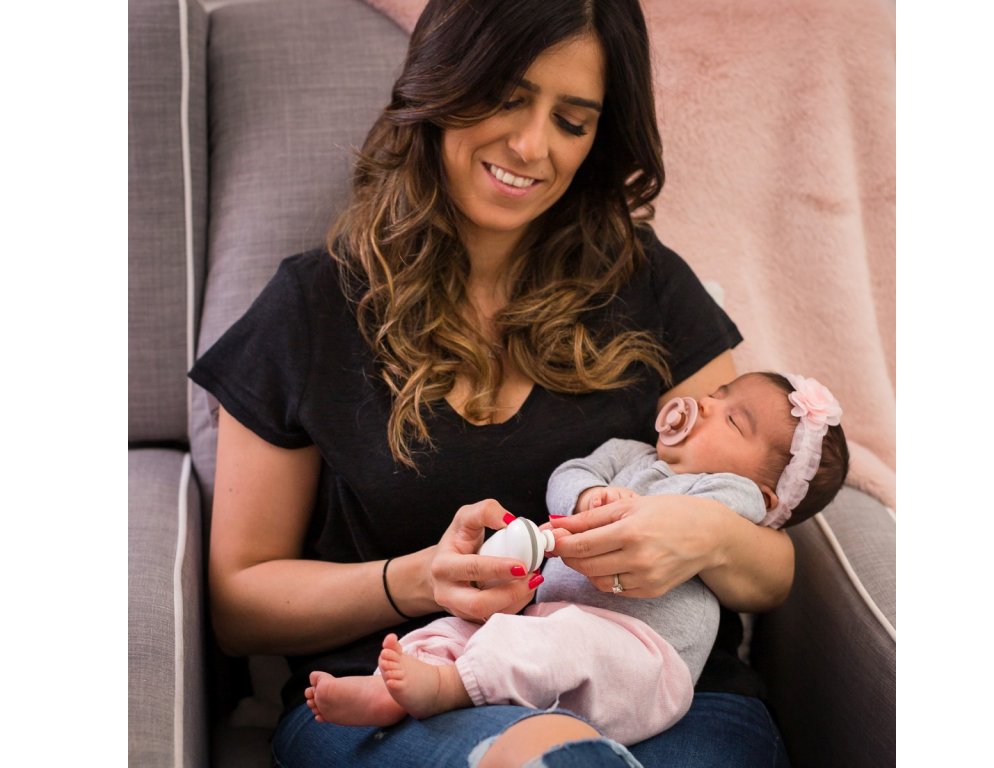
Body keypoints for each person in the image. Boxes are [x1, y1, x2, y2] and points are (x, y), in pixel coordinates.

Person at [188, 0, 799, 765]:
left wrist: (702, 534)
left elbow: (771, 567)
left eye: (571, 122)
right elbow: (240, 605)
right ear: (443, 84)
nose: (532, 146)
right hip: (404, 693)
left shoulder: (647, 284)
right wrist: (420, 581)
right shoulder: (312, 308)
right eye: (507, 98)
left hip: (666, 694)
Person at [301, 372, 848, 746]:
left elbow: (713, 520)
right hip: (554, 620)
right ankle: (392, 686)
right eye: (718, 392)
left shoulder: (733, 494)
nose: (705, 404)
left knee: (555, 644)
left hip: (641, 658)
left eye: (733, 421)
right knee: (471, 627)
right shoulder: (629, 454)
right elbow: (569, 474)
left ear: (767, 494)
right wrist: (587, 496)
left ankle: (447, 689)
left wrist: (654, 514)